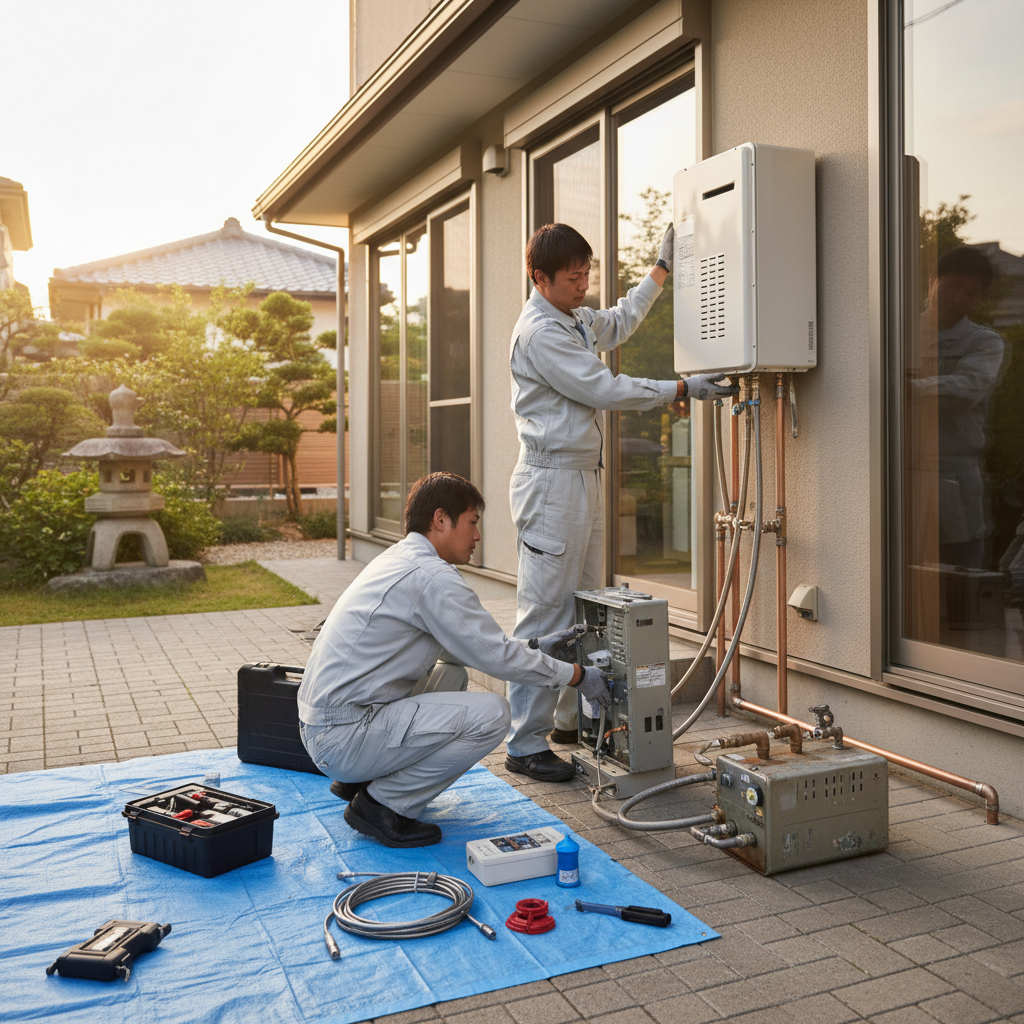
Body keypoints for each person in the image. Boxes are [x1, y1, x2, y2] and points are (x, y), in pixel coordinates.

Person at [505, 221, 737, 782]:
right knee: (544, 613)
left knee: (580, 609)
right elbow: (603, 389)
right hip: (551, 483)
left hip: (581, 478)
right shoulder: (542, 333)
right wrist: (682, 389)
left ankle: (563, 721)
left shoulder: (573, 318)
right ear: (540, 279)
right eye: (572, 277)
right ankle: (524, 743)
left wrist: (661, 268)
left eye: (587, 273)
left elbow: (621, 320)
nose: (582, 284)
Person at [296, 472, 612, 849]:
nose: (478, 536)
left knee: (450, 676)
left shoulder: (399, 558)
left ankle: (360, 780)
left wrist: (535, 645)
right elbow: (495, 656)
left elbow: (468, 646)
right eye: (473, 522)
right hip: (343, 737)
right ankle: (383, 804)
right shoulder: (431, 576)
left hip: (325, 725)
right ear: (441, 519)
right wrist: (577, 675)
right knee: (494, 713)